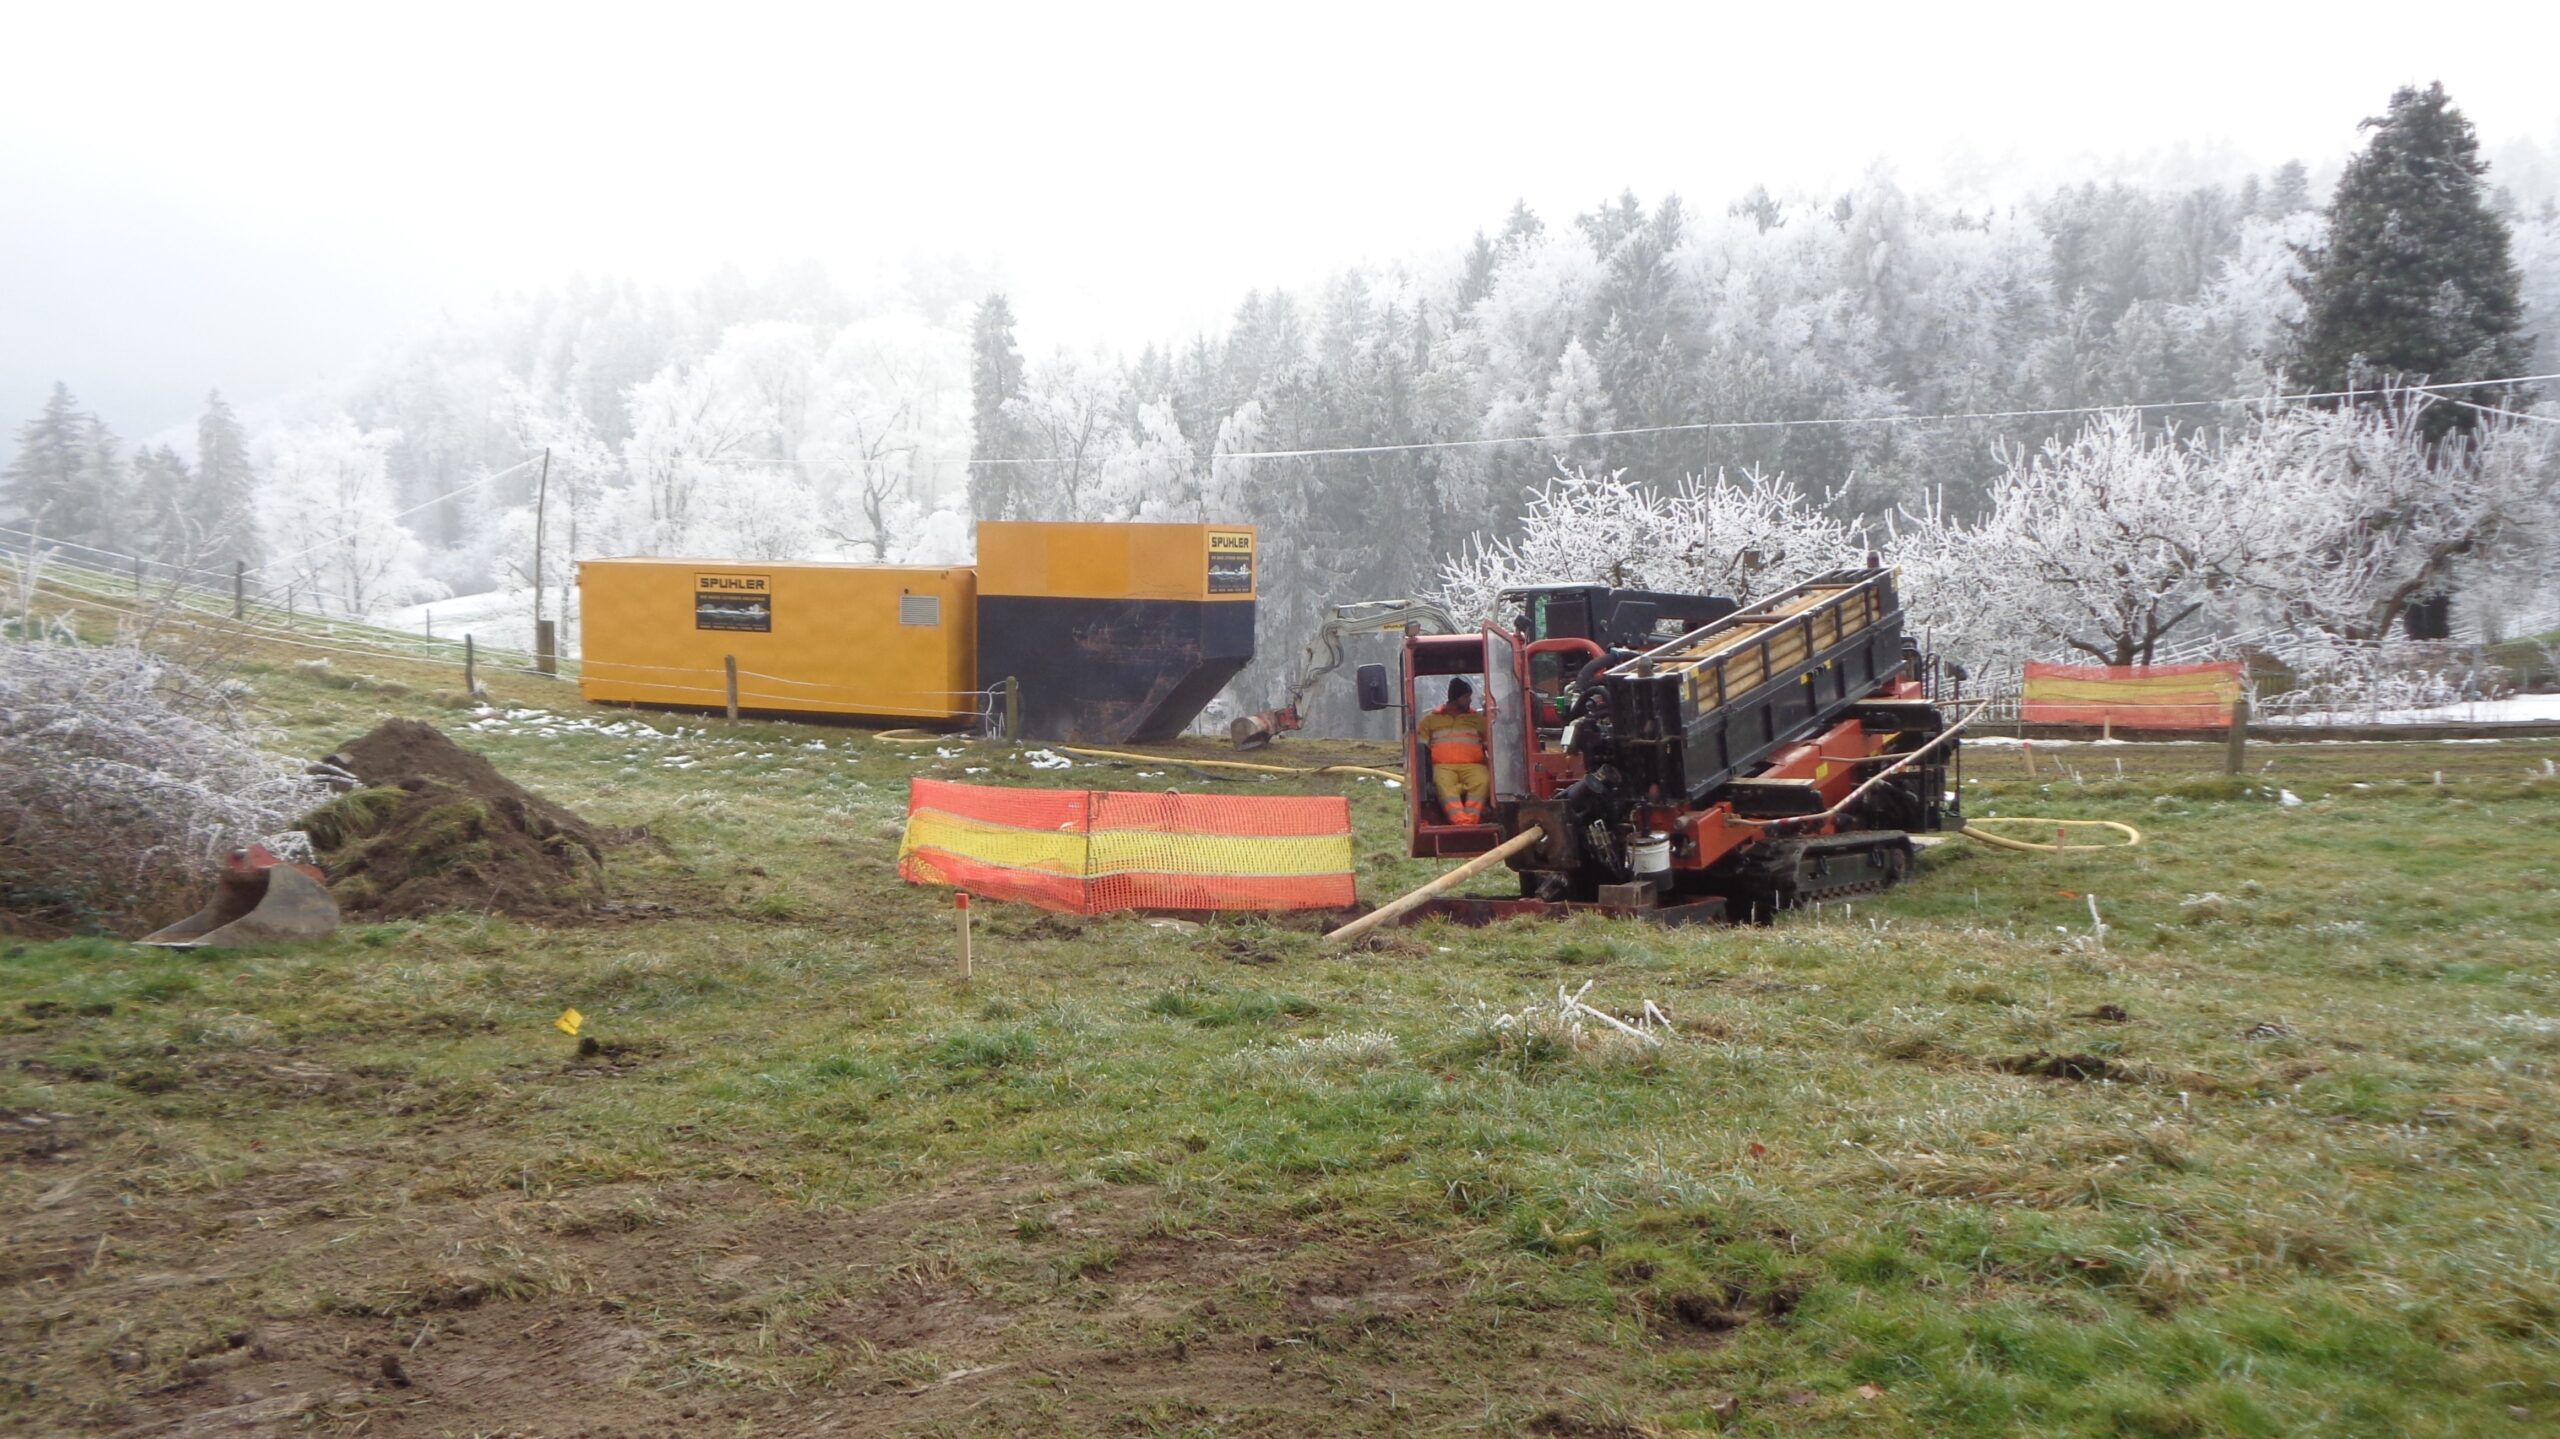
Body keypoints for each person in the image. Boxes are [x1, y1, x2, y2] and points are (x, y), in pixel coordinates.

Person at [1417, 676, 1491, 824]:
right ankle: (1460, 821)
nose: (1470, 701)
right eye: (1466, 697)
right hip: (1443, 767)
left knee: (1483, 780)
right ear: (1455, 698)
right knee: (1443, 784)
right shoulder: (1430, 720)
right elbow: (1420, 749)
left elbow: (1490, 744)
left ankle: (1471, 820)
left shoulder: (1478, 719)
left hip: (1474, 766)